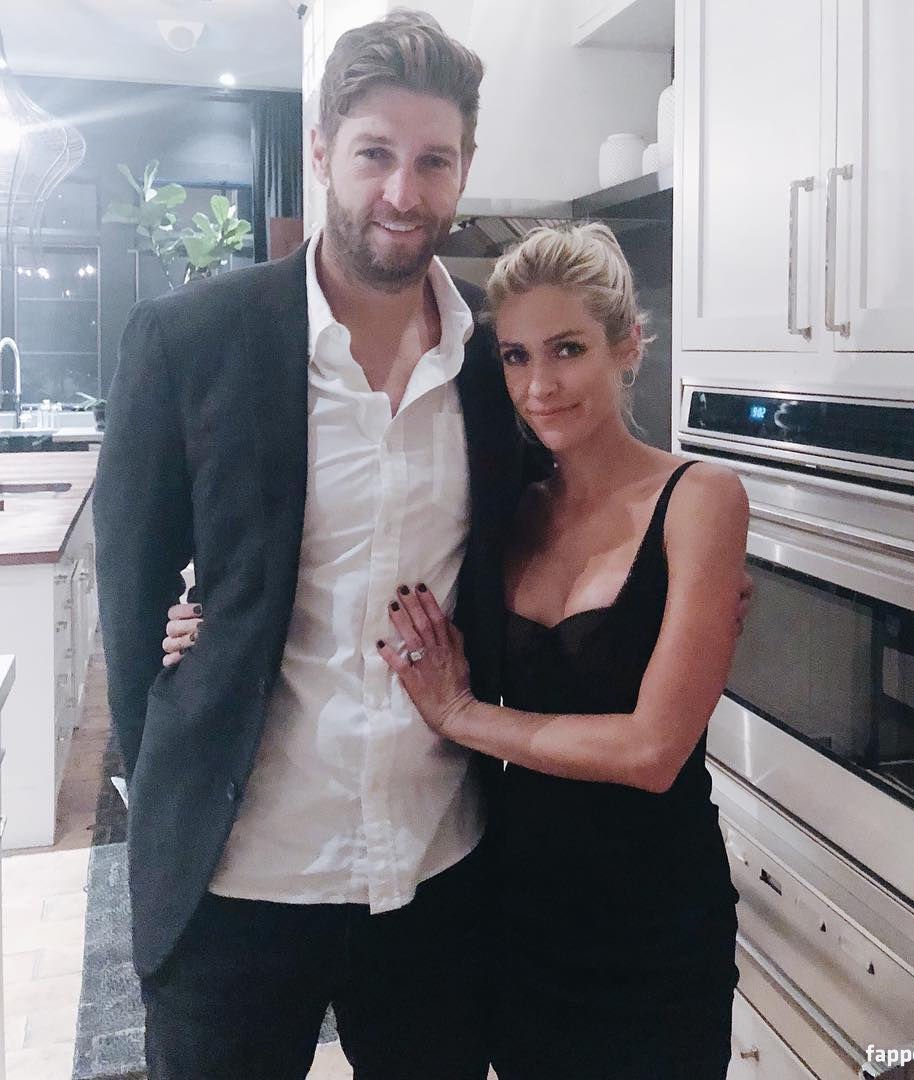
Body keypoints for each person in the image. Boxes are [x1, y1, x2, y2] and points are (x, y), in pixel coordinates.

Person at [166, 224, 749, 1079]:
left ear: (628, 345)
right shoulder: (510, 505)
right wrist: (203, 622)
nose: (540, 385)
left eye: (568, 349)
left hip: (652, 915)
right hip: (513, 906)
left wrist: (462, 716)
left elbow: (652, 751)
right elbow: (346, 566)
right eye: (515, 356)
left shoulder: (700, 498)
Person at [95, 12, 520, 1079]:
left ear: (465, 168)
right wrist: (171, 788)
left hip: (434, 870)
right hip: (240, 877)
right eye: (375, 154)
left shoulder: (496, 361)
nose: (403, 193)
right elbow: (131, 600)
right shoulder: (189, 341)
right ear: (323, 152)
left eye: (434, 160)